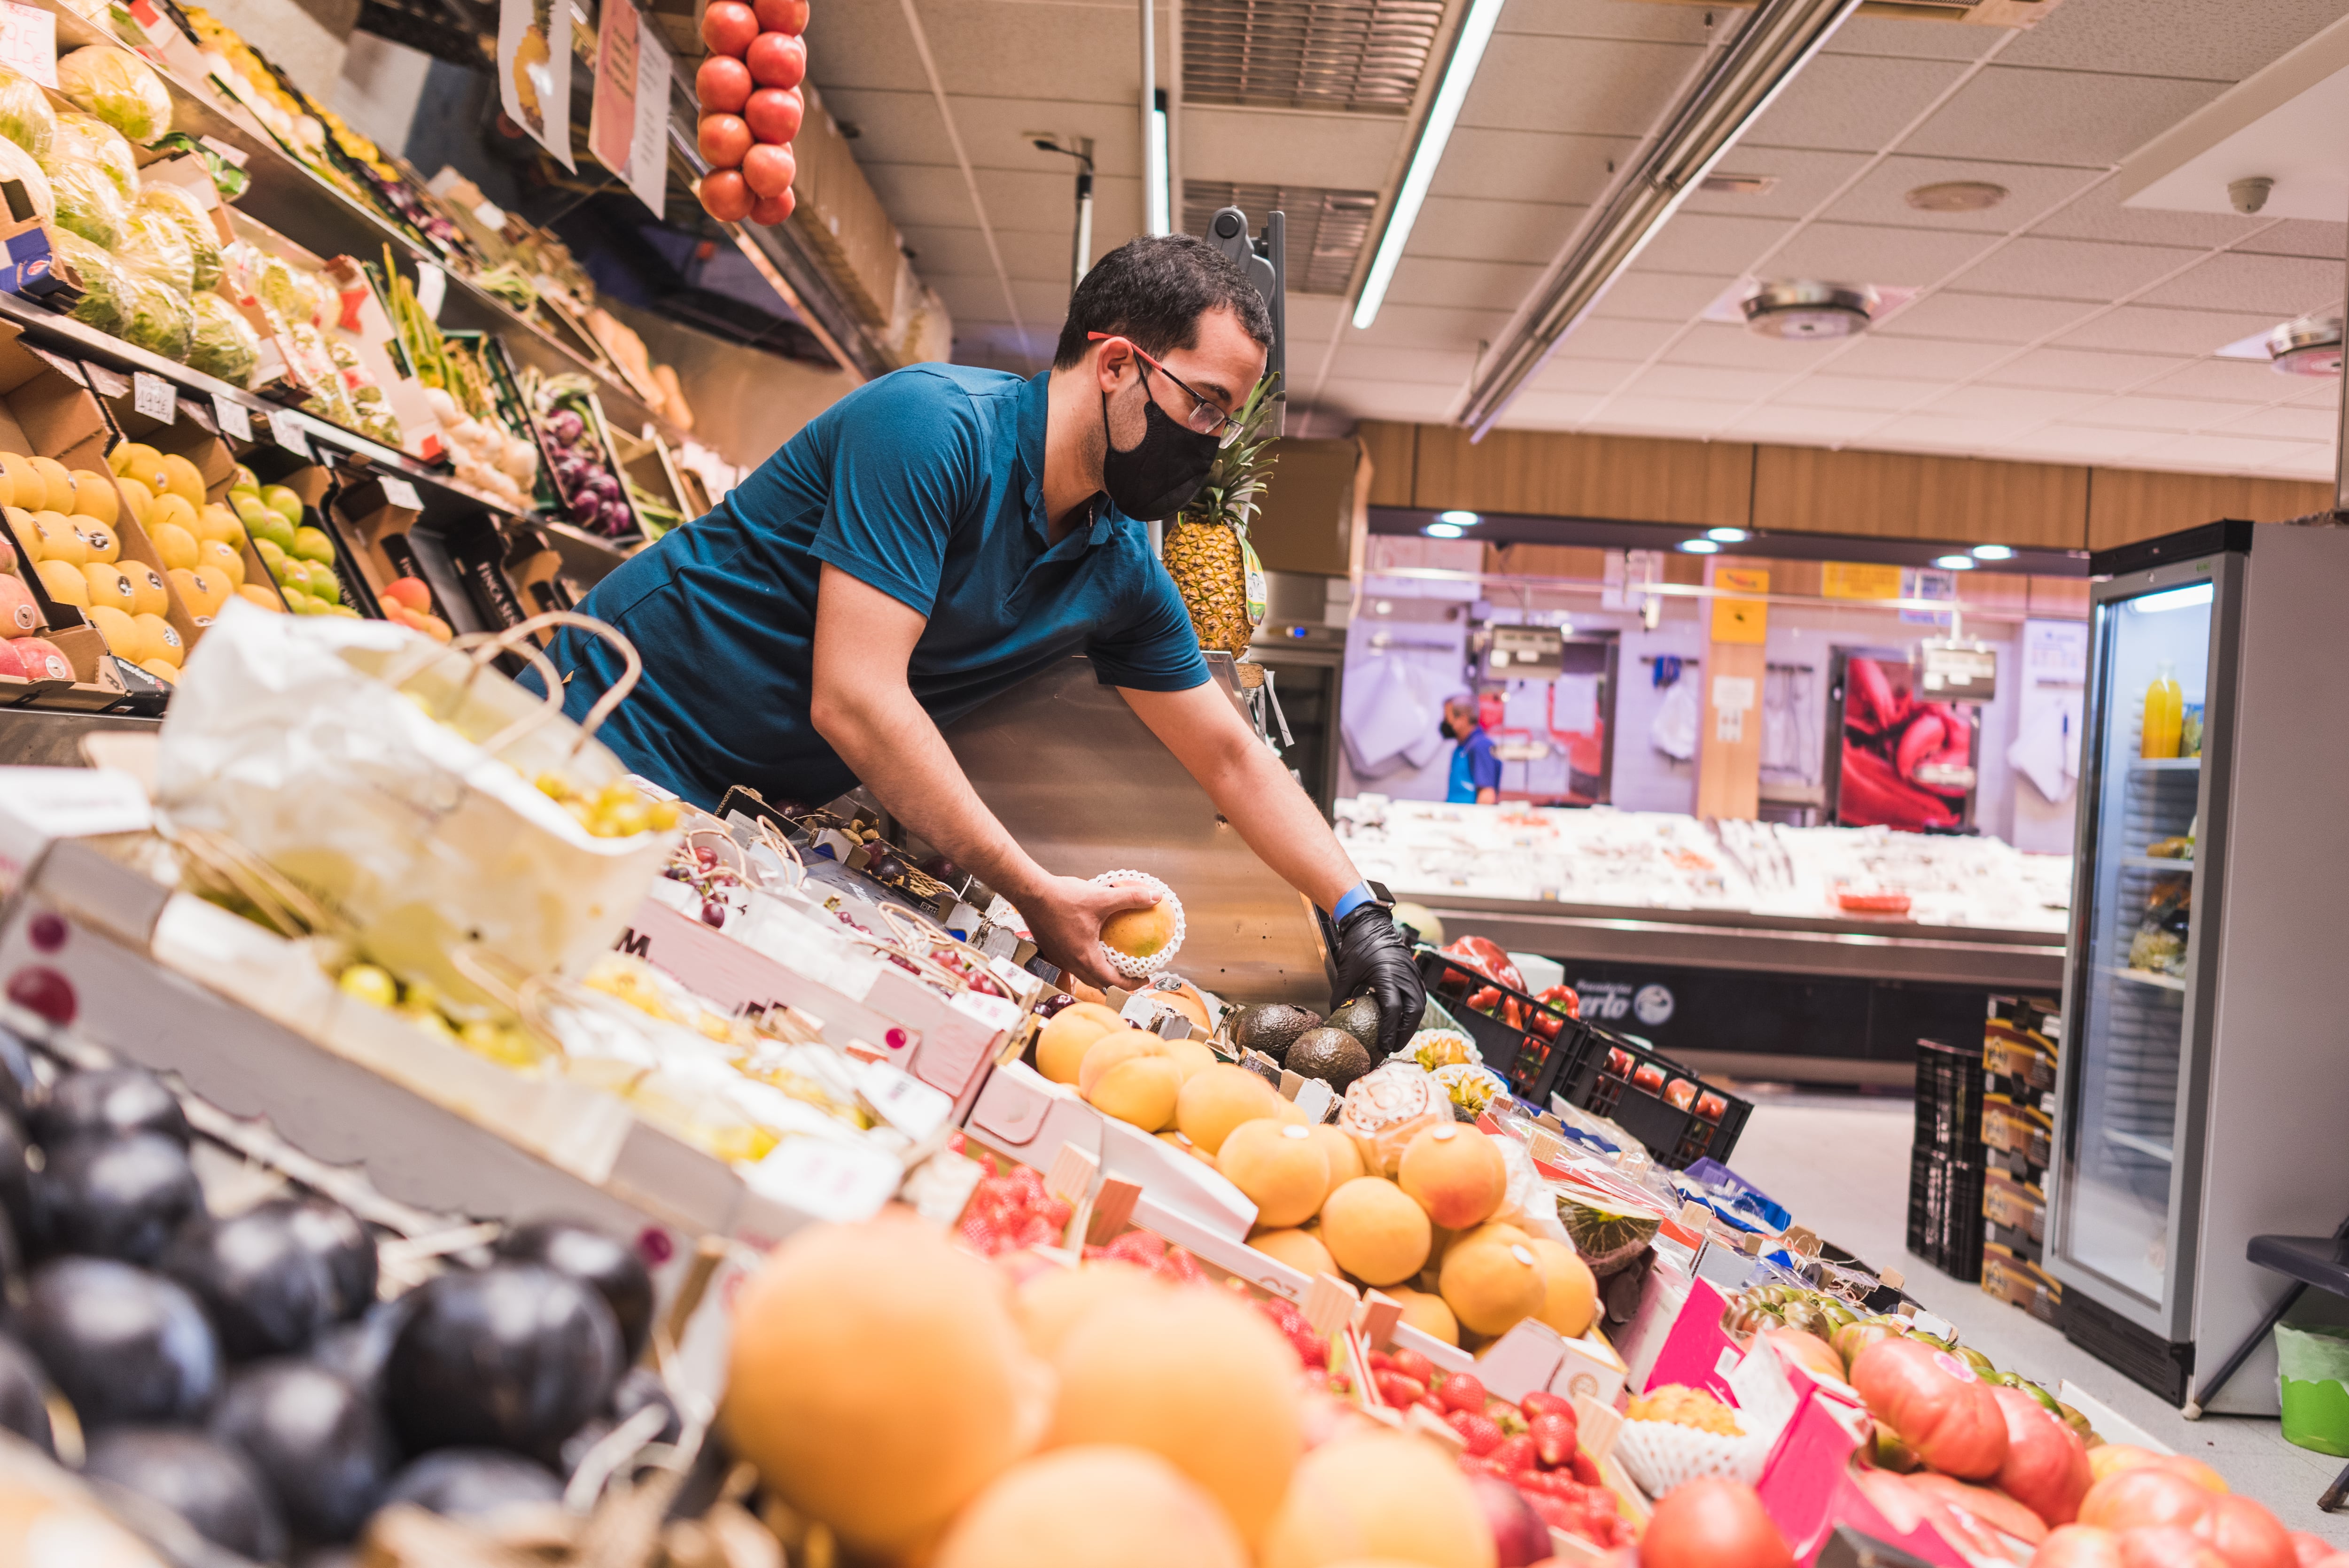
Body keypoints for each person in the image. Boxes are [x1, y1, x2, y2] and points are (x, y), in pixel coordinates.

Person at [540, 235, 1424, 1051]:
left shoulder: (1116, 564)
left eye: (1226, 423)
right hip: (606, 722)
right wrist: (1033, 888)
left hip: (732, 816)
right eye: (1204, 406)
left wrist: (1357, 913)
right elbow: (856, 696)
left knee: (606, 1034)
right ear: (1118, 362)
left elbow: (1232, 753)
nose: (1209, 444)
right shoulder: (933, 426)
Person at [1443, 693, 1500, 806]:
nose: (1446, 723)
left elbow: (1487, 796)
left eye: (1448, 718)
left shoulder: (1481, 746)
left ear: (1463, 719)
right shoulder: (1463, 746)